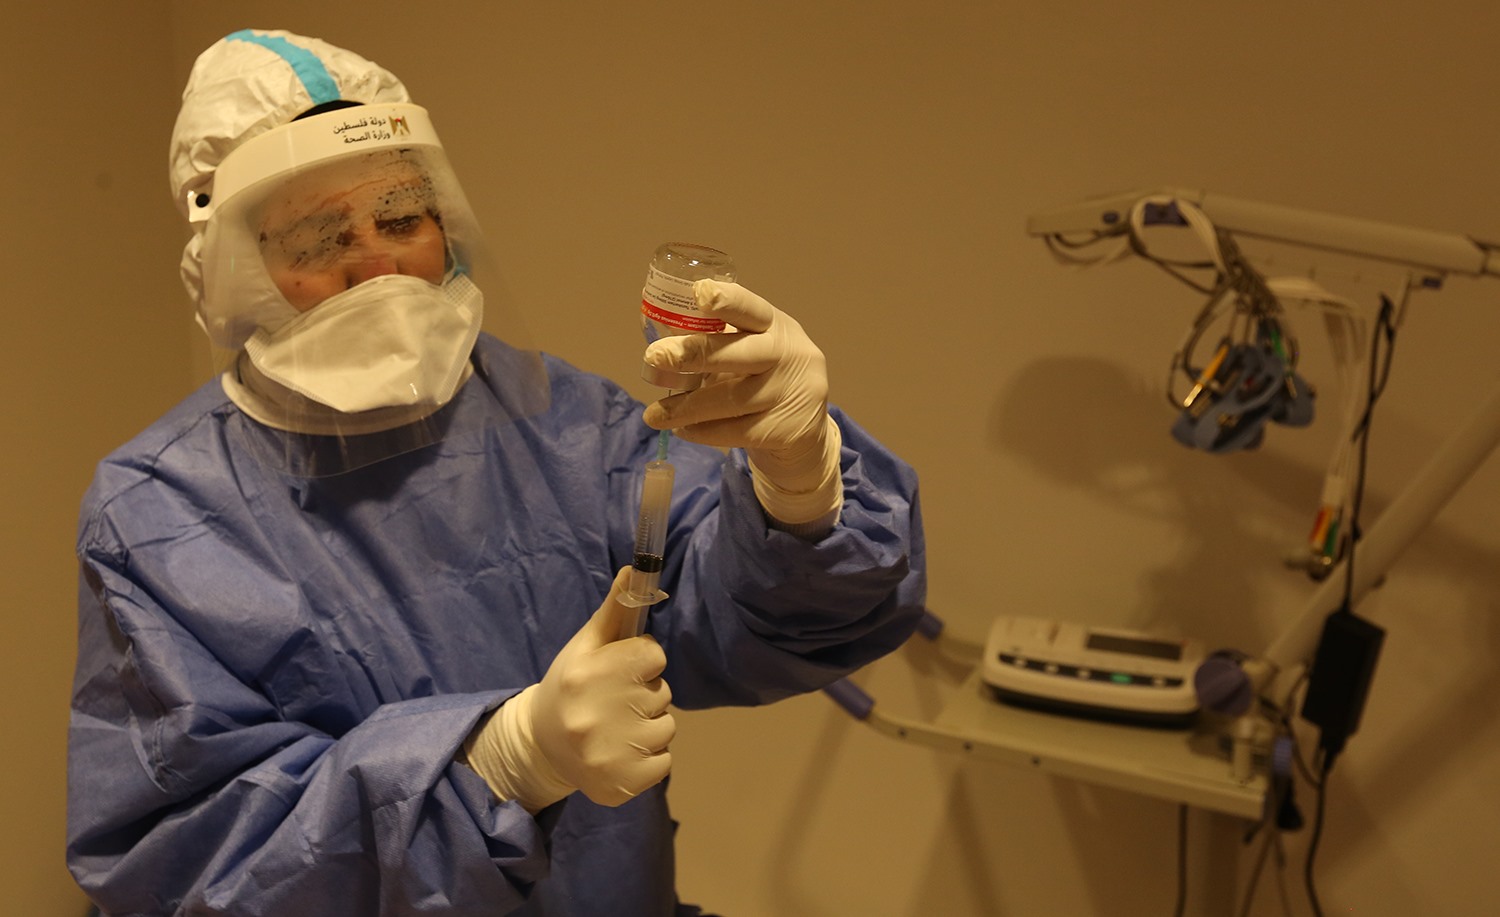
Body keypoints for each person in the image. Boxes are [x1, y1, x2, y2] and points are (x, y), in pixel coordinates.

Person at [67, 29, 926, 917]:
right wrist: (500, 762)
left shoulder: (563, 423)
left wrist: (799, 487)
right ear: (235, 268)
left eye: (401, 216)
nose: (381, 266)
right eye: (320, 237)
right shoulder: (159, 515)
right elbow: (192, 865)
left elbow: (744, 621)